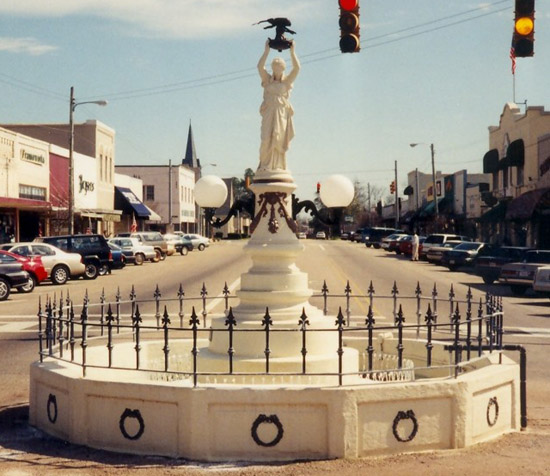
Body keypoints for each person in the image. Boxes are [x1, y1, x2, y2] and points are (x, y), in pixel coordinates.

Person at [257, 39, 300, 172]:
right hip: (269, 112)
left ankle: (278, 167)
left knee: (278, 140)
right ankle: (264, 166)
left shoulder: (286, 82)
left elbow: (297, 68)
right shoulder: (267, 80)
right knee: (265, 140)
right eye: (274, 69)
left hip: (281, 114)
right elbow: (260, 67)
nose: (277, 71)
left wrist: (293, 52)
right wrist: (266, 52)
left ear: (283, 69)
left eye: (279, 69)